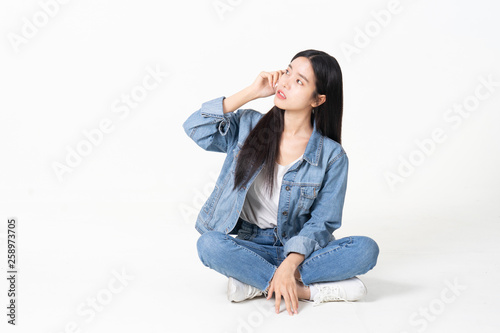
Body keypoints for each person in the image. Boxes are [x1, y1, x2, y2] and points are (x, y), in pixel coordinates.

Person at [182, 49, 379, 316]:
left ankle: (258, 284)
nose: (285, 82)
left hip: (300, 248)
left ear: (318, 99)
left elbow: (323, 222)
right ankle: (308, 290)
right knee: (210, 245)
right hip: (252, 244)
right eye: (287, 72)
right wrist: (251, 92)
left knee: (366, 250)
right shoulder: (249, 125)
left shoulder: (332, 156)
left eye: (299, 81)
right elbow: (195, 127)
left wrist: (290, 263)